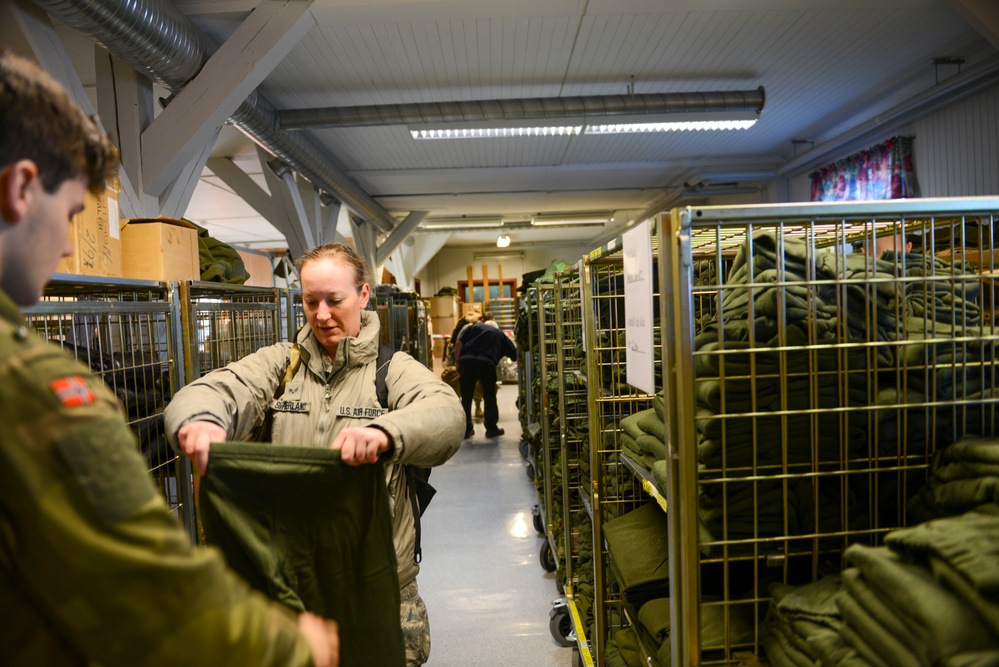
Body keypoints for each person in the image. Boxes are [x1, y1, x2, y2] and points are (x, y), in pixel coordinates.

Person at [0, 49, 338, 666]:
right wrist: (290, 648)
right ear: (21, 190)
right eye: (71, 211)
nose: (72, 242)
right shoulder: (25, 382)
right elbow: (149, 592)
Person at [164, 242, 465, 667]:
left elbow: (447, 415)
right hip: (288, 595)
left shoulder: (391, 371)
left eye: (334, 300)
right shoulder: (280, 367)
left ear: (363, 296)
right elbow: (216, 389)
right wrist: (200, 420)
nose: (322, 314)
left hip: (377, 594)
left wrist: (385, 431)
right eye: (310, 301)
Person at [454, 317, 518, 439]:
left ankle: (466, 430)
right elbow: (514, 355)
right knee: (489, 395)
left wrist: (457, 362)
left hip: (467, 362)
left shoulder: (473, 327)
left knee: (466, 397)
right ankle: (491, 428)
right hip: (486, 364)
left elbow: (458, 343)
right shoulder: (500, 334)